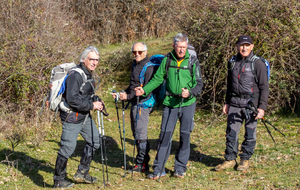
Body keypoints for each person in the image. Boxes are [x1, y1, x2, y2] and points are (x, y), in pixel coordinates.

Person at [135, 33, 203, 179]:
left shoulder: (192, 61)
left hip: (187, 104)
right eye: (179, 47)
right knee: (165, 135)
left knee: (185, 135)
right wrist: (145, 90)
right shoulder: (167, 60)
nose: (181, 51)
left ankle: (180, 168)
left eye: (184, 48)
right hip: (170, 104)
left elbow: (199, 83)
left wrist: (190, 92)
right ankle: (159, 169)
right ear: (174, 46)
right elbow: (158, 79)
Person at [215, 35, 269, 172]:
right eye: (241, 45)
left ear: (252, 47)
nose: (244, 48)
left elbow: (264, 86)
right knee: (231, 133)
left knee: (250, 133)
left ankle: (245, 160)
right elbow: (229, 85)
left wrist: (262, 107)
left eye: (247, 45)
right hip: (234, 103)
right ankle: (230, 159)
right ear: (237, 46)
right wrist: (227, 102)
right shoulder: (232, 62)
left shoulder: (258, 63)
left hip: (252, 104)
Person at [53, 46, 103, 188]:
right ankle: (58, 181)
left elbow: (86, 94)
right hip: (72, 116)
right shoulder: (76, 75)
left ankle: (82, 173)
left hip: (84, 116)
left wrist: (96, 100)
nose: (94, 62)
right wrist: (92, 106)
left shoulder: (89, 74)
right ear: (84, 59)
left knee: (95, 141)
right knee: (67, 148)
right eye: (91, 59)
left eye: (97, 60)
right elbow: (72, 99)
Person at [112, 42, 155, 174]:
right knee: (136, 133)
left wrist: (127, 96)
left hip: (143, 104)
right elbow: (132, 86)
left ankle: (141, 164)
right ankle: (141, 163)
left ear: (145, 52)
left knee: (140, 134)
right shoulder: (135, 65)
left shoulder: (149, 68)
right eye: (134, 52)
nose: (136, 54)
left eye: (139, 52)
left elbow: (145, 90)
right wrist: (122, 94)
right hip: (135, 104)